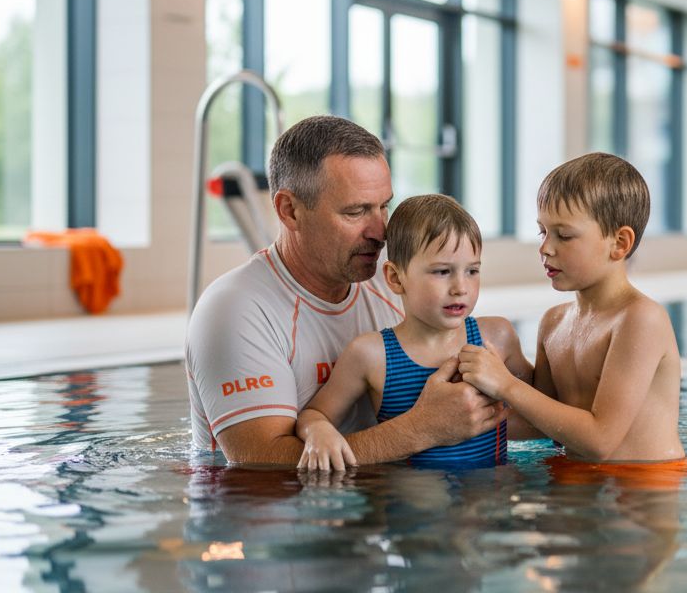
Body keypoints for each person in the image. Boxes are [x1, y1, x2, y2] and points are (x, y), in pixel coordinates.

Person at [185, 115, 502, 464]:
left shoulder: (398, 283)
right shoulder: (236, 310)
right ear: (289, 211)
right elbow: (261, 464)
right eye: (356, 211)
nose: (380, 231)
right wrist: (422, 428)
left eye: (384, 206)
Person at [456, 152, 685, 462]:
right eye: (543, 231)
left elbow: (600, 441)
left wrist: (507, 385)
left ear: (619, 243)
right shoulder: (554, 323)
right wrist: (458, 418)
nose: (545, 248)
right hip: (581, 483)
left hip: (644, 489)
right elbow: (544, 423)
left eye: (563, 235)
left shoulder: (640, 320)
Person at [294, 194, 532, 470]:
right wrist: (319, 432)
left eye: (472, 271)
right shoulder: (372, 355)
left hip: (491, 499)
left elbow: (541, 407)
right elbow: (314, 413)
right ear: (395, 278)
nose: (461, 287)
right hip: (411, 503)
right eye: (442, 272)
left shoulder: (497, 337)